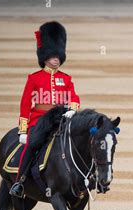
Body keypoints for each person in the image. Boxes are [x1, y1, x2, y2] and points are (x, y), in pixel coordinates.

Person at [9, 21, 80, 198]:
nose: (56, 59)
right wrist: (23, 130)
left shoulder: (66, 78)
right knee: (31, 146)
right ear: (45, 56)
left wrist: (72, 108)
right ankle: (19, 182)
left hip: (62, 120)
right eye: (53, 55)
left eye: (58, 56)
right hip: (39, 120)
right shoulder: (34, 78)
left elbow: (74, 96)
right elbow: (25, 104)